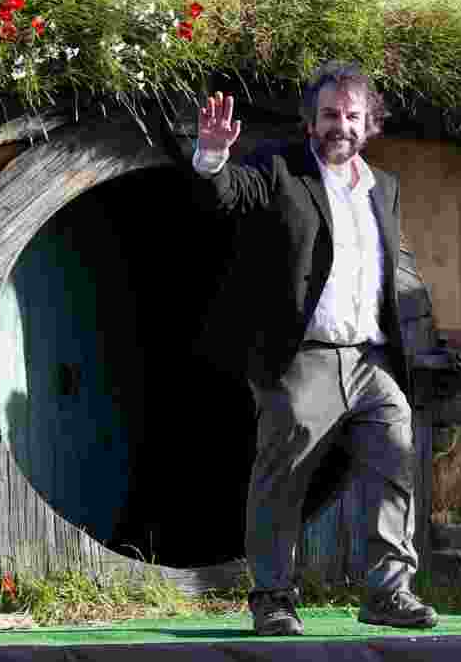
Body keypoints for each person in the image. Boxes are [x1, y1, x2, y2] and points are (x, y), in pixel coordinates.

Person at [186, 61, 438, 636]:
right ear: (311, 121)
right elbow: (224, 197)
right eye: (329, 115)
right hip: (303, 355)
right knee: (286, 468)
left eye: (352, 116)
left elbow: (385, 269)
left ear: (370, 123)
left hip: (371, 360)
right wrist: (211, 156)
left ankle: (387, 592)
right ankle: (273, 597)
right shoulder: (278, 169)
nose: (340, 126)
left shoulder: (384, 187)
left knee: (396, 454)